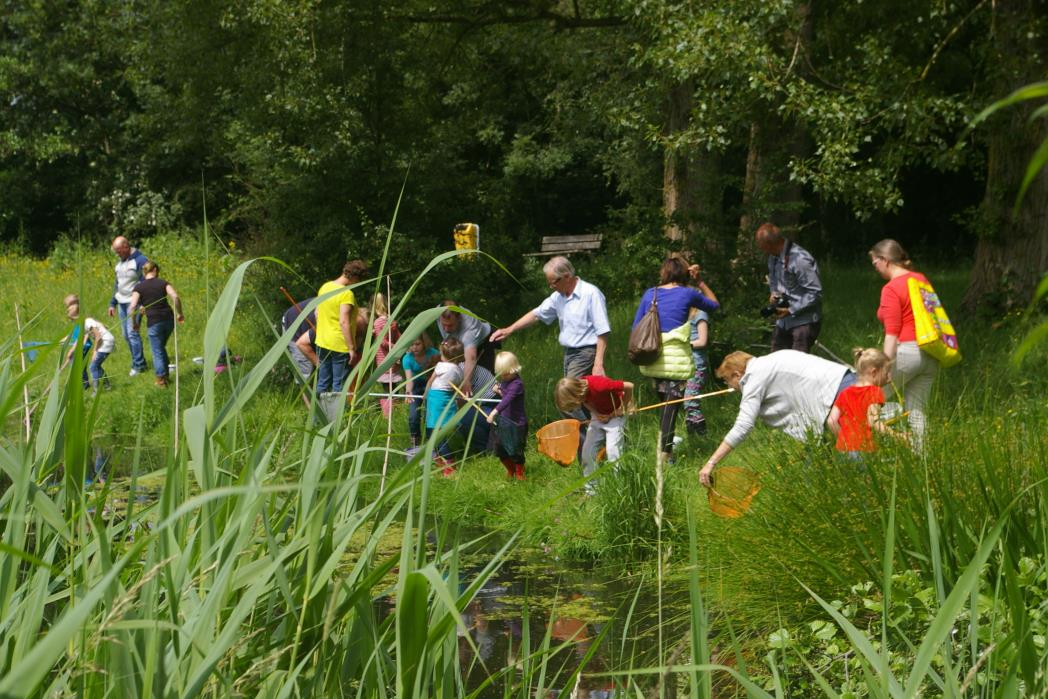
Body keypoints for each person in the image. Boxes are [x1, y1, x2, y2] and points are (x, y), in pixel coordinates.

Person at [698, 349, 854, 487]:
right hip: (843, 385)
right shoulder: (769, 361)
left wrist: (711, 463)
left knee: (857, 462)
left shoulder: (753, 377)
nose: (729, 387)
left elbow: (743, 426)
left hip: (839, 394)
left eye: (727, 380)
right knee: (813, 474)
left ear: (737, 375)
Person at [632, 256, 720, 466]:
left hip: (653, 358)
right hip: (676, 360)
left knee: (666, 404)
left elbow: (636, 326)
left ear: (664, 273)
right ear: (684, 274)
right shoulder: (688, 293)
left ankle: (667, 453)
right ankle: (664, 456)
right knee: (671, 407)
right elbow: (714, 305)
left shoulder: (650, 294)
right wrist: (699, 281)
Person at [490, 256, 611, 378]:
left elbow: (602, 331)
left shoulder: (591, 293)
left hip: (586, 352)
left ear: (567, 277)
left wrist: (598, 363)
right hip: (568, 353)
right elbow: (536, 314)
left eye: (552, 283)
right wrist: (509, 329)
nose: (551, 287)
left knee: (569, 393)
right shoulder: (558, 297)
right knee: (580, 393)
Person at [870, 239, 938, 446]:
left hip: (906, 352)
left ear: (885, 260)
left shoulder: (891, 288)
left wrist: (885, 366)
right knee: (917, 411)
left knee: (867, 400)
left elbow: (892, 333)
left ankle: (860, 454)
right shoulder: (920, 280)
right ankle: (923, 458)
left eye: (875, 263)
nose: (876, 268)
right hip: (931, 353)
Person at [555, 374, 634, 493]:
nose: (574, 408)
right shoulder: (581, 391)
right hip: (599, 416)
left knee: (613, 451)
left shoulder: (600, 386)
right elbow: (585, 401)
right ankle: (591, 489)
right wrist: (596, 413)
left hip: (616, 414)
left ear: (576, 395)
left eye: (572, 405)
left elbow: (629, 386)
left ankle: (619, 488)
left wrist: (621, 408)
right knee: (587, 452)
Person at [755, 222, 823, 353]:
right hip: (784, 322)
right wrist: (773, 294)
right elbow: (774, 281)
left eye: (762, 246)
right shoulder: (773, 257)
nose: (761, 250)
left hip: (803, 322)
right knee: (776, 362)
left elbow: (815, 293)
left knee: (796, 368)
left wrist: (791, 309)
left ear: (769, 244)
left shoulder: (799, 259)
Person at [827, 348, 898, 459]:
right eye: (886, 373)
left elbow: (831, 421)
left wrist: (844, 441)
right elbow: (873, 422)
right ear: (874, 372)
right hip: (863, 451)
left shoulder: (844, 393)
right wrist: (898, 436)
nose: (889, 378)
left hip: (842, 451)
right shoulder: (874, 391)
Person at [314, 260, 367, 394]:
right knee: (339, 387)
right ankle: (336, 415)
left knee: (322, 383)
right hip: (339, 345)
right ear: (355, 277)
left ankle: (318, 415)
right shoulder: (346, 294)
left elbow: (317, 313)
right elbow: (344, 322)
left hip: (322, 342)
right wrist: (351, 348)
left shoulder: (325, 287)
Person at [128, 262, 184, 387]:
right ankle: (166, 376)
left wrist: (134, 323)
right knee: (160, 347)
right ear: (154, 270)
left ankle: (161, 379)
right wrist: (180, 313)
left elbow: (132, 307)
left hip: (154, 322)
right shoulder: (163, 283)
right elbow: (175, 297)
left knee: (157, 350)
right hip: (168, 320)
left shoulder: (139, 288)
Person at [442, 336, 497, 456]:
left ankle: (483, 449)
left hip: (492, 404)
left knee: (463, 418)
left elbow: (462, 402)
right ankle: (479, 445)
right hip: (484, 403)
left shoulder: (458, 372)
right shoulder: (459, 367)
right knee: (463, 416)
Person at [435, 301, 497, 397]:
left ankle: (491, 404)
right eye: (444, 325)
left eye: (450, 325)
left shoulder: (470, 329)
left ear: (459, 318)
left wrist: (466, 382)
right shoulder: (438, 310)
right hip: (457, 344)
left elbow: (471, 358)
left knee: (483, 380)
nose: (446, 329)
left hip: (482, 344)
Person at [107, 236, 149, 375]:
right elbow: (117, 284)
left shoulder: (141, 260)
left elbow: (146, 283)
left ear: (126, 246)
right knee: (126, 335)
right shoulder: (119, 264)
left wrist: (142, 303)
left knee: (133, 334)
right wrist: (112, 304)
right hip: (121, 304)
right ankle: (136, 361)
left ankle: (139, 365)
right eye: (116, 252)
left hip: (134, 303)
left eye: (119, 251)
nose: (117, 254)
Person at [423, 338, 463, 475]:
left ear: (443, 354)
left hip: (436, 400)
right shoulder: (459, 370)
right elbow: (456, 388)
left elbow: (430, 380)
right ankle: (440, 459)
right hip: (445, 401)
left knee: (435, 435)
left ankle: (449, 464)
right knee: (437, 433)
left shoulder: (440, 366)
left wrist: (425, 395)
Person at [486, 351, 528, 481]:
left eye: (506, 373)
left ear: (513, 369)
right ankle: (511, 470)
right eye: (501, 373)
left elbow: (508, 399)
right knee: (499, 449)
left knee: (516, 450)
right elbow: (505, 394)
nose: (503, 376)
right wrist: (499, 390)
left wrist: (494, 412)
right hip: (504, 421)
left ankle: (520, 472)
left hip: (517, 424)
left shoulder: (517, 384)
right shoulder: (505, 380)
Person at [683, 262, 712, 437]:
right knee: (686, 401)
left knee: (690, 399)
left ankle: (702, 435)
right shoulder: (684, 315)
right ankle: (692, 437)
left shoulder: (701, 314)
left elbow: (702, 341)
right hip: (685, 364)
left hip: (697, 364)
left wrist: (685, 344)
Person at [63, 294, 116, 390]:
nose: (72, 321)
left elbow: (98, 337)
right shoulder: (86, 322)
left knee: (93, 367)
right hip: (104, 342)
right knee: (96, 365)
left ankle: (96, 390)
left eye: (72, 319)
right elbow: (80, 338)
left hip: (105, 342)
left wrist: (95, 351)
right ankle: (107, 385)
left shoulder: (86, 322)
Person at [402, 332, 439, 449]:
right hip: (416, 385)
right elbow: (409, 379)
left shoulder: (433, 354)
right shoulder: (407, 359)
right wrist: (408, 392)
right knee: (413, 415)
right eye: (411, 345)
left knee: (430, 414)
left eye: (417, 344)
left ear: (424, 343)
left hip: (432, 384)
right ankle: (415, 441)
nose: (414, 347)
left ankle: (431, 442)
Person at [370, 293, 402, 418]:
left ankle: (388, 415)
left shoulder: (378, 322)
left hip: (385, 360)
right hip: (392, 359)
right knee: (393, 388)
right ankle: (393, 413)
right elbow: (399, 337)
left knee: (388, 389)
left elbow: (382, 342)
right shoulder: (391, 320)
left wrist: (394, 347)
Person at [281, 297, 316, 380]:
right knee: (305, 366)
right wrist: (319, 364)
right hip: (291, 324)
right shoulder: (326, 321)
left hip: (307, 324)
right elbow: (301, 344)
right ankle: (305, 391)